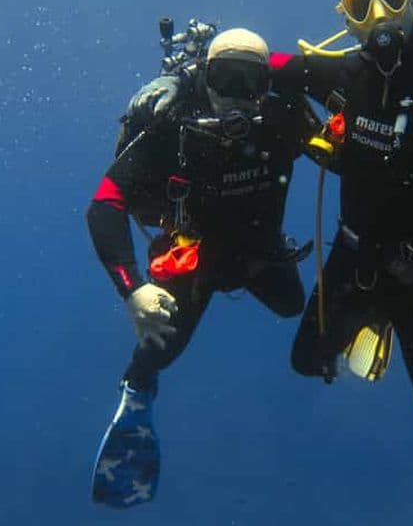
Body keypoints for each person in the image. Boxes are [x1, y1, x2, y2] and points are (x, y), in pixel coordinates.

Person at [138, 0, 413, 526]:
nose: (378, 16)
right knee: (307, 361)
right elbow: (248, 65)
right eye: (361, 5)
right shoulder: (339, 75)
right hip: (354, 255)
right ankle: (372, 322)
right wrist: (176, 79)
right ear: (346, 21)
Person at [85, 28, 318, 508]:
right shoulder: (172, 127)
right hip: (196, 260)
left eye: (249, 80)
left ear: (268, 84)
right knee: (159, 344)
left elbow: (341, 150)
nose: (235, 96)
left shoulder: (284, 118)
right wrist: (133, 293)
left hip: (259, 253)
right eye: (223, 78)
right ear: (203, 80)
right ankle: (136, 392)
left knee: (293, 304)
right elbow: (104, 205)